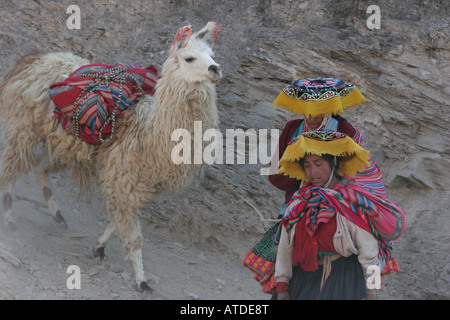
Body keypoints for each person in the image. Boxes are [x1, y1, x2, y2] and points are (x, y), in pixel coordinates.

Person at [273, 130, 405, 300]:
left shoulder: (349, 202)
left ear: (333, 162)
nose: (312, 171)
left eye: (318, 163)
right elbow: (285, 247)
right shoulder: (299, 203)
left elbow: (369, 251)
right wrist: (282, 286)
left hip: (344, 281)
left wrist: (372, 291)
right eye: (307, 165)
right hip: (303, 279)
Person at [269, 78, 388, 211]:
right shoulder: (292, 129)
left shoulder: (345, 131)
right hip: (298, 200)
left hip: (340, 201)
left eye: (318, 114)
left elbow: (358, 169)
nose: (312, 119)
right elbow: (275, 171)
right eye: (308, 114)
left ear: (328, 111)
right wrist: (302, 171)